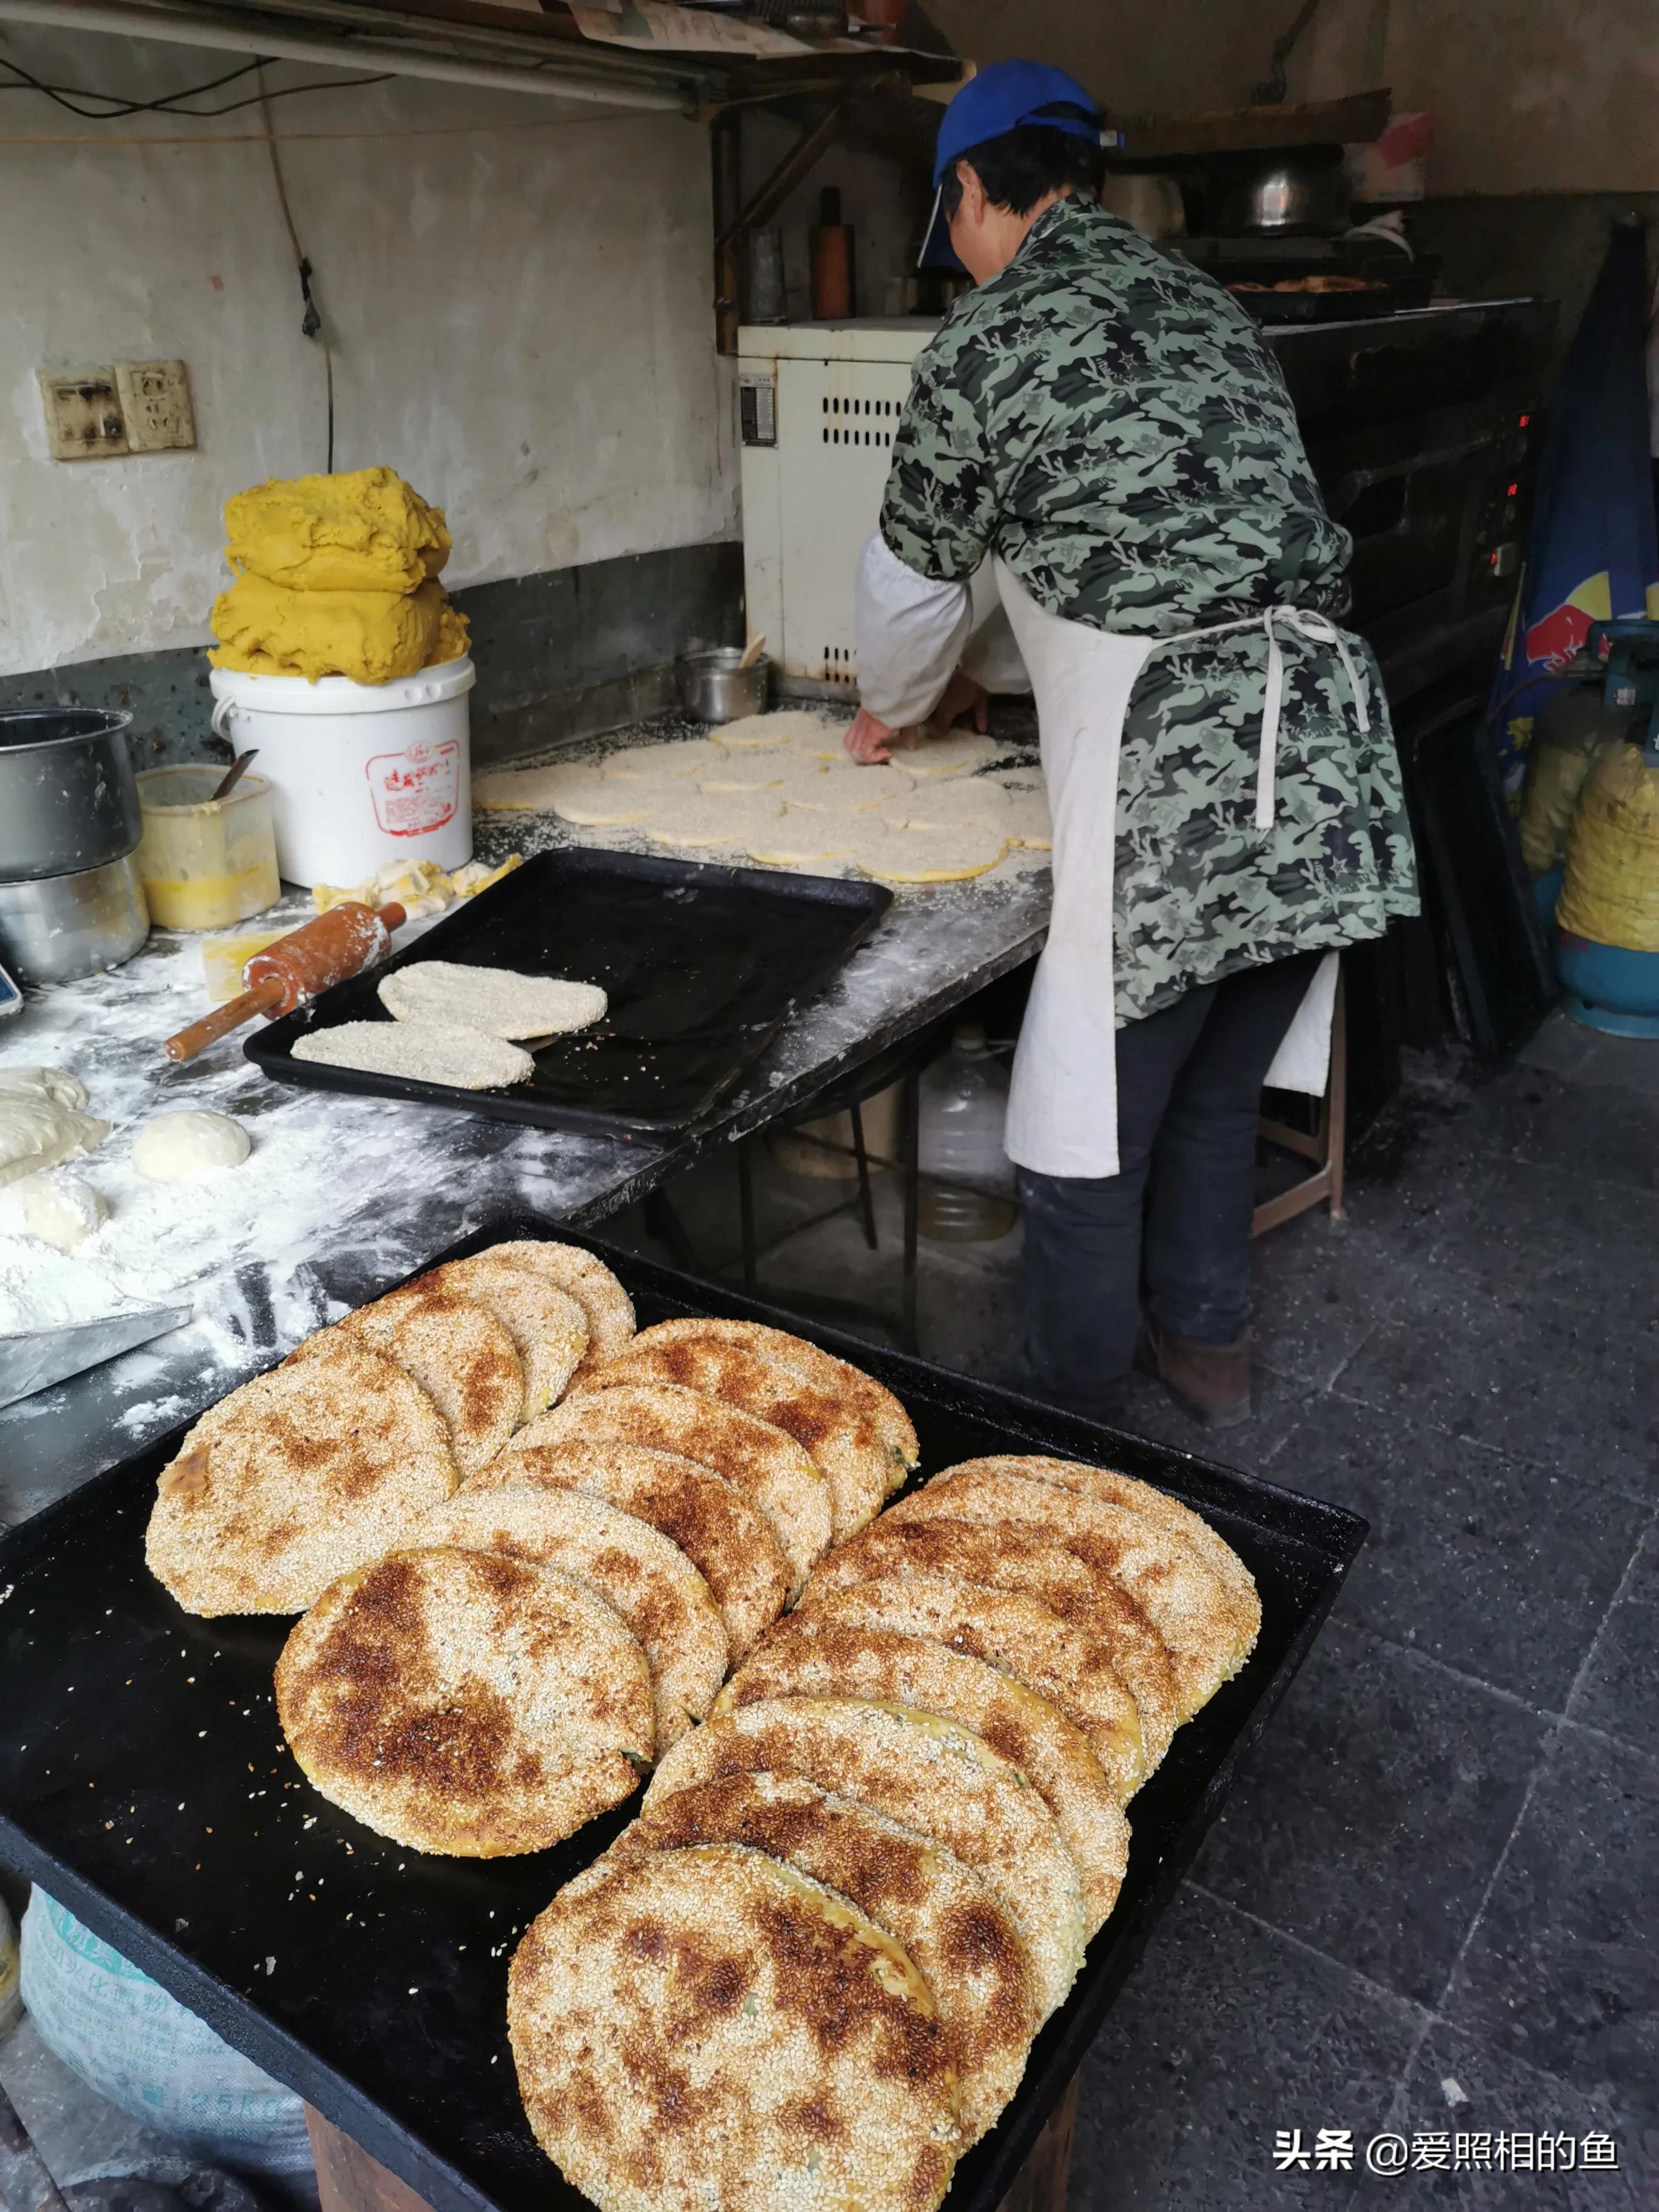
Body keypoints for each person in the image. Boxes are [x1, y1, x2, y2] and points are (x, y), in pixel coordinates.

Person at [846, 59, 1418, 1429]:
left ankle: (1067, 1417)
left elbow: (913, 594)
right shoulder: (1211, 304)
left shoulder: (980, 350)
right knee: (1216, 1092)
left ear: (973, 191)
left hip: (1180, 773)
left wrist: (901, 703)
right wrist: (994, 680)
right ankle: (1206, 1348)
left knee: (1084, 1125)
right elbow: (1137, 549)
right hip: (1328, 749)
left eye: (956, 213)